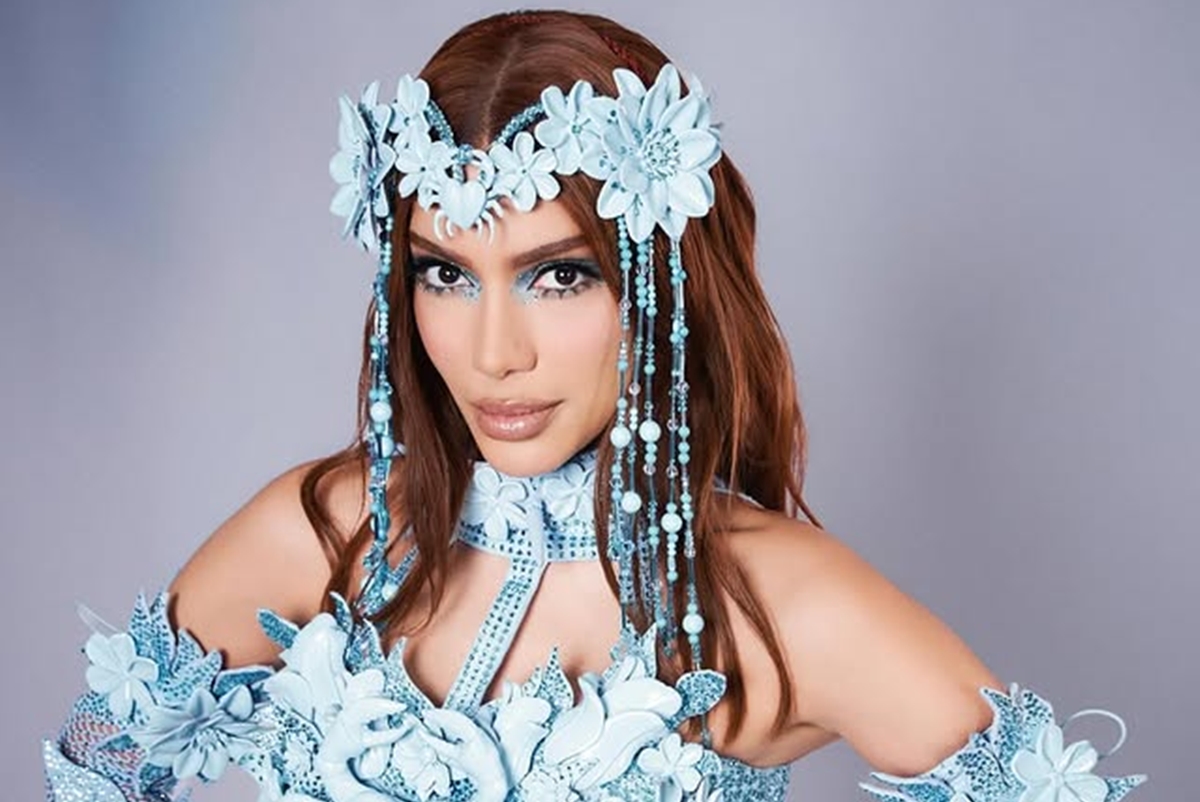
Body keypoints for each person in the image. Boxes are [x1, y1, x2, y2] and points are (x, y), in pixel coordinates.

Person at [42, 10, 1147, 802]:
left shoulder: (779, 603)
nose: (494, 352)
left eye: (559, 275)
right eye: (445, 273)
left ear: (661, 282)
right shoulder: (324, 531)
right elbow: (99, 763)